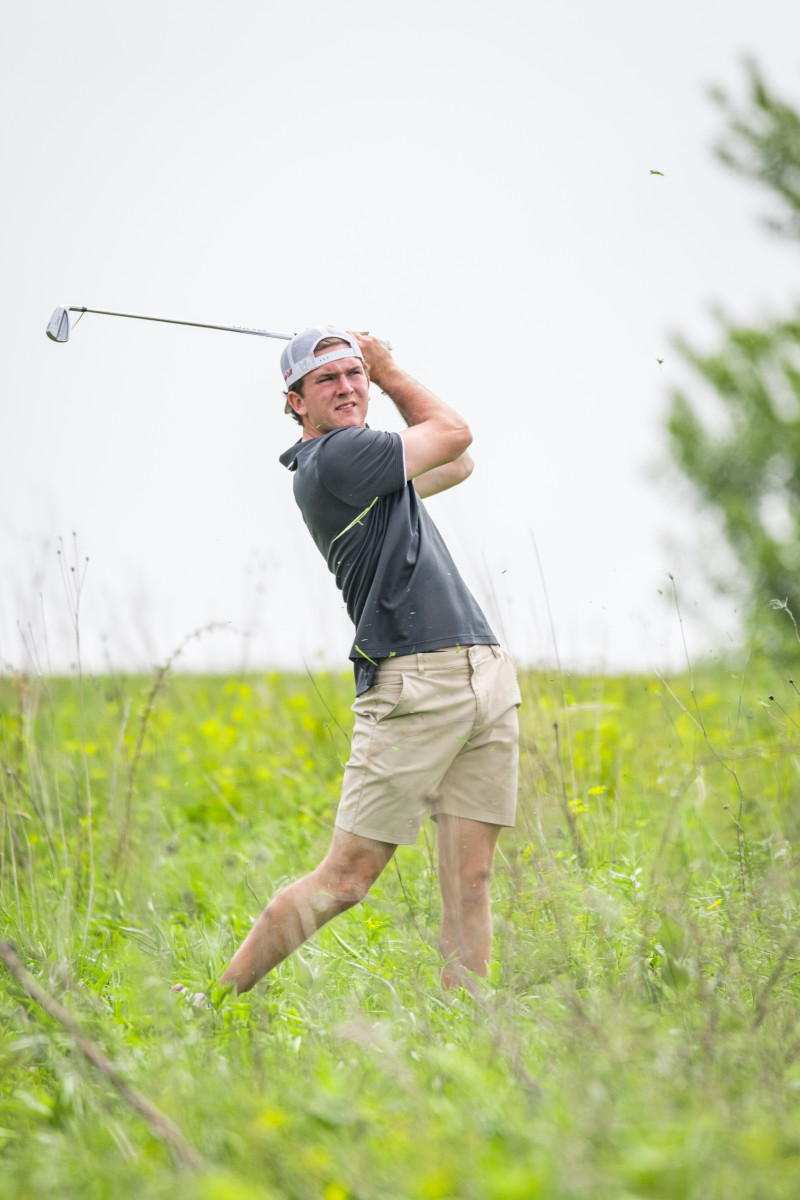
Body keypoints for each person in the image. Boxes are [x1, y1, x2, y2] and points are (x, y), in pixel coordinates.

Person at [220, 326, 520, 995]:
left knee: (471, 880)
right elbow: (454, 432)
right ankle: (213, 1003)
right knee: (348, 877)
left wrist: (382, 378)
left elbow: (456, 463)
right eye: (327, 380)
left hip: (482, 672)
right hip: (415, 680)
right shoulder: (338, 458)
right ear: (295, 402)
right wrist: (387, 370)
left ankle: (464, 1031)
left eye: (354, 374)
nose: (348, 387)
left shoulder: (370, 465)